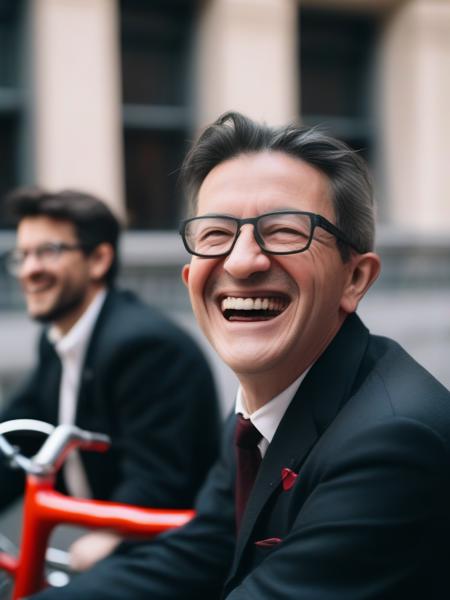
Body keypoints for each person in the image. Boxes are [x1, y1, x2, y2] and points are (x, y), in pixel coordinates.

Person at [31, 112, 450, 599]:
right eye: (214, 234)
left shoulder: (394, 442)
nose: (241, 261)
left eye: (285, 231)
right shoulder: (267, 406)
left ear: (354, 279)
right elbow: (197, 553)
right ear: (191, 279)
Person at [0, 187, 220, 572]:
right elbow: (19, 432)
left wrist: (110, 536)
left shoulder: (144, 346)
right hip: (108, 545)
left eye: (48, 252)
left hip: (175, 555)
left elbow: (160, 480)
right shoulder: (58, 340)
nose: (30, 270)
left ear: (99, 259)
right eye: (22, 256)